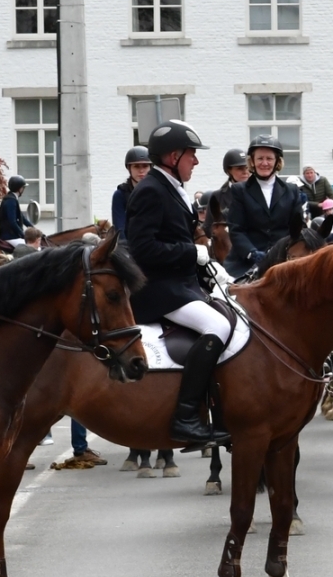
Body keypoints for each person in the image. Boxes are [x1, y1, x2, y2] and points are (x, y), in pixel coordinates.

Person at [130, 120, 232, 449]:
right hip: (159, 291)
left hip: (181, 283)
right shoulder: (151, 190)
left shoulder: (172, 188)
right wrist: (192, 253)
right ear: (174, 157)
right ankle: (186, 416)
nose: (196, 161)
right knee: (218, 326)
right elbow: (143, 249)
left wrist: (209, 268)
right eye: (191, 155)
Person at [225, 136, 306, 279]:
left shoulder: (291, 191)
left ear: (277, 161)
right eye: (260, 158)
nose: (264, 163)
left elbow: (299, 228)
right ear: (252, 161)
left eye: (269, 158)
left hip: (284, 259)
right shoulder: (239, 190)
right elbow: (236, 229)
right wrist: (252, 253)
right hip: (248, 261)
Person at [111, 146, 152, 239]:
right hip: (130, 244)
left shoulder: (159, 192)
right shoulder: (120, 195)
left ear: (150, 167)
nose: (141, 171)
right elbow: (120, 229)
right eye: (136, 166)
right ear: (129, 168)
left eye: (145, 166)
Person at [0, 175, 29, 249]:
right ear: (20, 189)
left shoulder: (11, 198)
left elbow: (22, 218)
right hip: (10, 236)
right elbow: (12, 222)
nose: (23, 190)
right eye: (23, 188)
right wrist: (23, 234)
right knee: (32, 247)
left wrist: (34, 229)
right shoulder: (11, 201)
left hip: (11, 235)